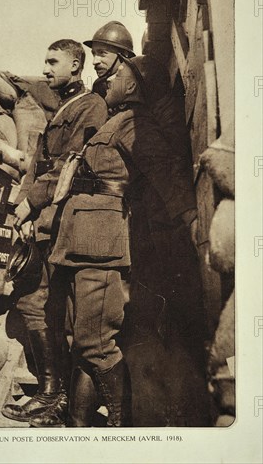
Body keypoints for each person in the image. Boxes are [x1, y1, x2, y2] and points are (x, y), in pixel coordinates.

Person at [49, 55, 200, 427]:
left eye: (118, 74)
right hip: (80, 241)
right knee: (83, 343)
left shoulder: (135, 122)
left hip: (100, 244)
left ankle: (121, 426)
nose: (109, 79)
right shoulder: (113, 121)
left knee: (97, 342)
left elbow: (162, 169)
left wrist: (190, 218)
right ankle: (79, 427)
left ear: (132, 86)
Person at [1, 39, 108, 427]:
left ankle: (60, 398)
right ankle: (50, 392)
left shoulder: (90, 107)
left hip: (68, 223)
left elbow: (71, 162)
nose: (45, 69)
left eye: (53, 61)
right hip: (44, 221)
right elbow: (39, 163)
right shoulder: (62, 107)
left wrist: (35, 201)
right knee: (34, 304)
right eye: (44, 61)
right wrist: (25, 204)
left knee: (61, 312)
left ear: (76, 64)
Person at [83, 21, 135, 98]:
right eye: (93, 54)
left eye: (102, 53)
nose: (95, 62)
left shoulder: (138, 85)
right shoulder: (99, 86)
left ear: (124, 54)